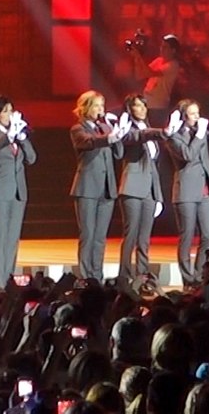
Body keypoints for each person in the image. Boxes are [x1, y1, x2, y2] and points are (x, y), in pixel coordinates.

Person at [164, 98, 209, 286]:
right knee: (187, 236)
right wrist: (200, 134)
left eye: (197, 113)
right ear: (183, 117)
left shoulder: (200, 133)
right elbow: (188, 155)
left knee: (208, 235)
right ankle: (188, 278)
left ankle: (200, 274)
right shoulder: (173, 136)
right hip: (185, 192)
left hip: (204, 192)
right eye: (193, 114)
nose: (197, 117)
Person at [115, 94, 178, 282]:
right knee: (131, 233)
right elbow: (139, 136)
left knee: (144, 236)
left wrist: (158, 195)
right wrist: (164, 132)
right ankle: (124, 275)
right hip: (132, 188)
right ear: (130, 109)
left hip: (150, 189)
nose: (142, 109)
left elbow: (153, 168)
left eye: (144, 106)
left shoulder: (147, 128)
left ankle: (142, 274)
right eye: (137, 106)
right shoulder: (128, 130)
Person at [69, 90, 127, 282]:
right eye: (96, 105)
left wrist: (114, 130)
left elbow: (118, 153)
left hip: (107, 188)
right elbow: (88, 142)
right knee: (88, 234)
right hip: (87, 188)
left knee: (100, 237)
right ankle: (86, 277)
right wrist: (108, 137)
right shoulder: (78, 129)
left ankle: (97, 275)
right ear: (86, 108)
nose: (100, 110)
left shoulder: (105, 128)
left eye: (102, 106)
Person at [0, 95, 37, 286]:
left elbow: (32, 158)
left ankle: (9, 279)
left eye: (11, 110)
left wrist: (22, 137)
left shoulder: (17, 133)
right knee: (1, 237)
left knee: (12, 239)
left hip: (18, 191)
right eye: (5, 111)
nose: (10, 114)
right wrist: (8, 135)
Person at [131, 34, 182, 110]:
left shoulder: (173, 65)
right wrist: (136, 58)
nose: (161, 49)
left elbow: (149, 73)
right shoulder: (159, 60)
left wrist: (139, 56)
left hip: (157, 105)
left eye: (165, 47)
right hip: (146, 101)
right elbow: (140, 75)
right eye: (161, 46)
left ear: (173, 50)